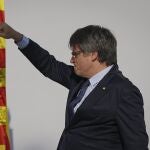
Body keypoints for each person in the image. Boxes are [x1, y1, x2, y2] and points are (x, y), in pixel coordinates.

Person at [0, 22, 149, 150]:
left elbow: (137, 145)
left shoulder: (124, 91)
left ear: (93, 55)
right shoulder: (79, 79)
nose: (72, 59)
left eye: (75, 54)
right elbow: (49, 65)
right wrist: (17, 36)